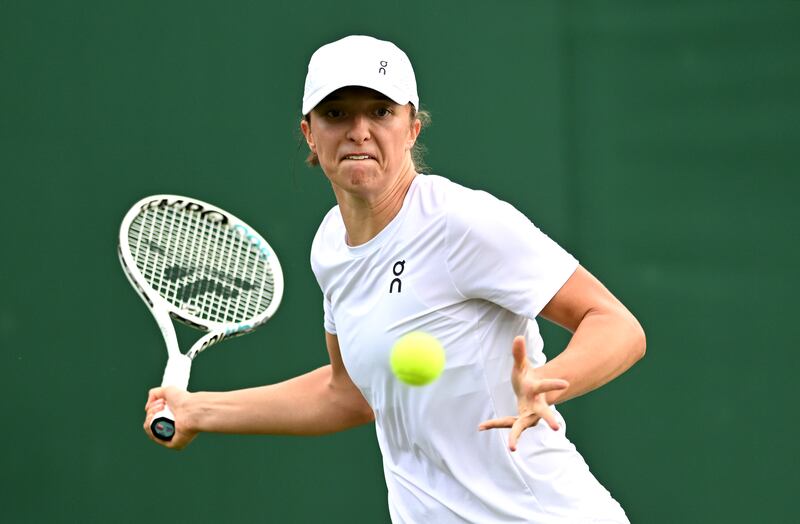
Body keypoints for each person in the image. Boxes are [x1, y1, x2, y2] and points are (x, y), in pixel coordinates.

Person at [144, 35, 646, 523]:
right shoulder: (330, 246)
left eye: (380, 112)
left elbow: (616, 324)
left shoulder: (461, 222)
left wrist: (547, 383)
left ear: (411, 127)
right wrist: (198, 411)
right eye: (336, 113)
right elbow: (349, 394)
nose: (359, 130)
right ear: (310, 135)